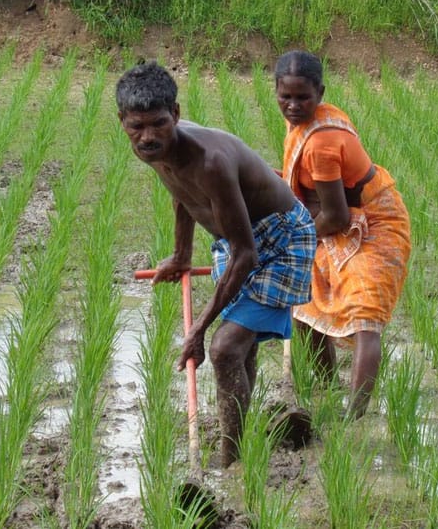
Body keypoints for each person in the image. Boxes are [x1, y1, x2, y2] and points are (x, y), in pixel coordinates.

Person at [116, 62, 316, 467]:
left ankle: (231, 462)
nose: (147, 136)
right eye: (136, 126)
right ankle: (240, 445)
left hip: (281, 240)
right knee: (239, 348)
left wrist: (197, 330)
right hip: (238, 236)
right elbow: (183, 194)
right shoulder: (154, 151)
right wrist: (181, 254)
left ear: (175, 113)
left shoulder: (210, 161)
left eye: (157, 123)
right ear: (122, 121)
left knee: (224, 348)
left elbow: (247, 254)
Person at [274, 50, 411, 419]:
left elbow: (333, 217)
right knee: (306, 300)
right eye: (285, 96)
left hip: (374, 221)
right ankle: (325, 386)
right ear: (275, 92)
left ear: (320, 93)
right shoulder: (303, 126)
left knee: (366, 314)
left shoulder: (321, 141)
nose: (293, 105)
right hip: (338, 215)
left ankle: (355, 414)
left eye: (303, 97)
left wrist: (295, 240)